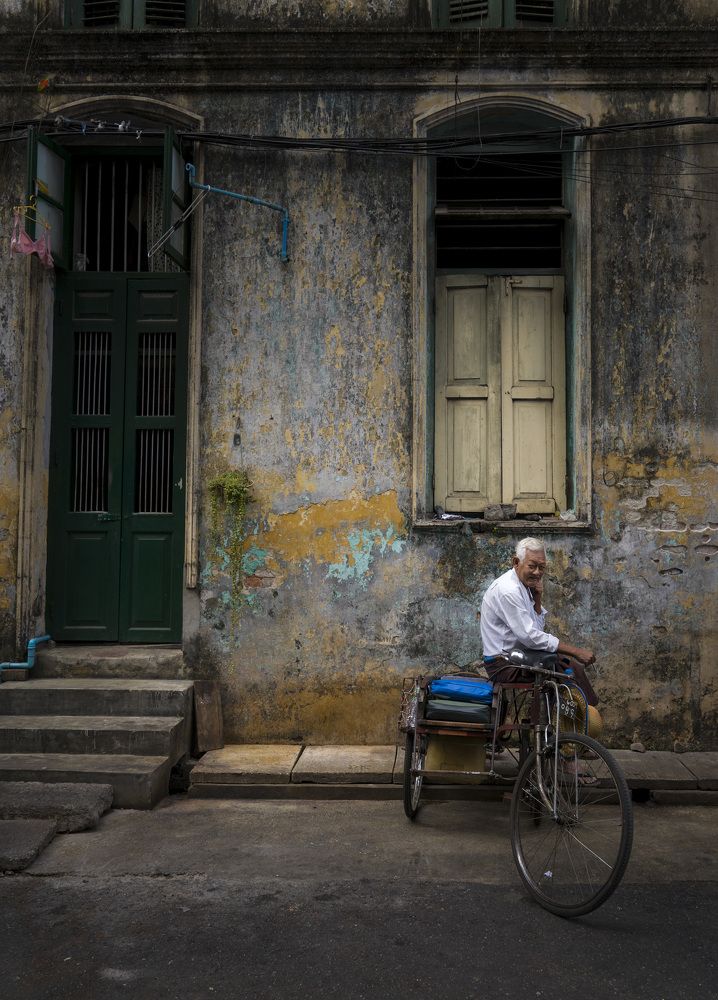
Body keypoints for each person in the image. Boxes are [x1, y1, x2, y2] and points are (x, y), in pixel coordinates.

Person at [480, 537, 599, 709]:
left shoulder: (524, 587)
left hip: (519, 658)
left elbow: (535, 630)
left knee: (567, 666)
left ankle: (583, 716)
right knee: (561, 669)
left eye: (541, 567)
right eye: (532, 566)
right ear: (516, 562)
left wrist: (537, 599)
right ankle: (548, 726)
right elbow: (530, 636)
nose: (537, 572)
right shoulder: (508, 590)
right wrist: (576, 651)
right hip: (502, 665)